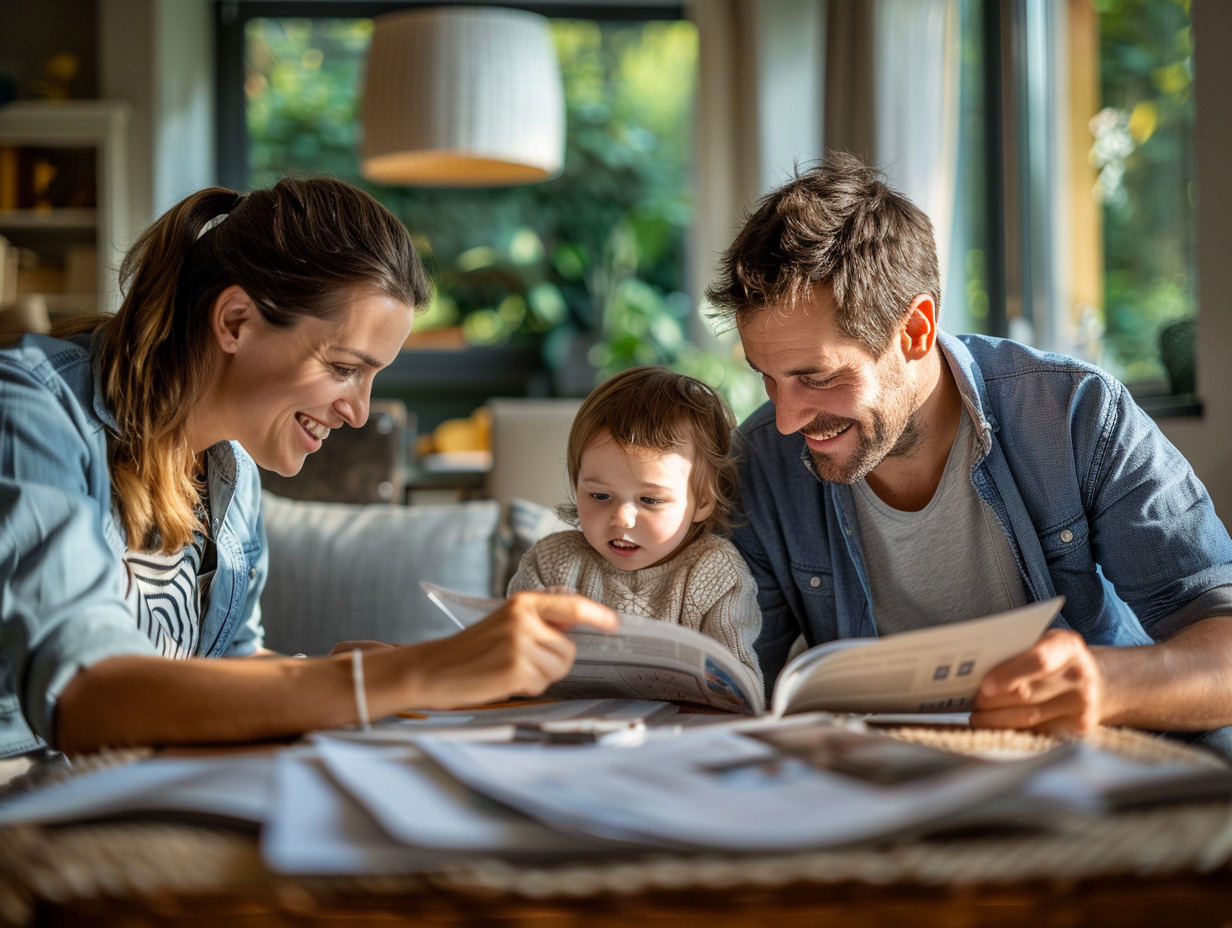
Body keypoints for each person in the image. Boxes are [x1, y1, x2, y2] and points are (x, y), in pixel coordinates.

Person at [0, 176, 617, 761]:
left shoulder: (231, 474)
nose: (357, 413)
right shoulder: (31, 412)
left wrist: (335, 677)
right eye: (345, 368)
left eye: (373, 377)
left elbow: (223, 670)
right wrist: (401, 676)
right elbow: (85, 698)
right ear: (236, 321)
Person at [705, 151, 1232, 751]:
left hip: (1087, 758)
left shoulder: (1074, 414)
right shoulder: (761, 464)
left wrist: (1106, 685)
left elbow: (1222, 642)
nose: (787, 417)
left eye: (816, 377)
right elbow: (732, 686)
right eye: (767, 378)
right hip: (880, 784)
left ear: (914, 331)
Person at [507, 366, 763, 691]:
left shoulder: (714, 572)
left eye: (650, 500)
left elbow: (742, 686)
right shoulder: (551, 562)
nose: (622, 519)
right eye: (599, 495)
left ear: (701, 501)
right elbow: (505, 669)